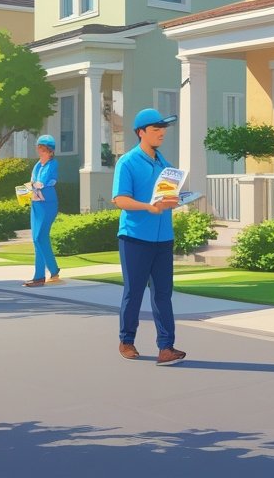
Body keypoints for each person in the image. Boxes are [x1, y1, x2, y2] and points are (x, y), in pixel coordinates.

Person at [112, 108, 185, 365]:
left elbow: (167, 199)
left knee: (163, 294)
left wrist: (176, 201)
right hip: (134, 237)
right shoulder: (127, 162)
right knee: (134, 291)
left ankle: (166, 347)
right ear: (141, 132)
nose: (161, 133)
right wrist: (148, 207)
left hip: (163, 238)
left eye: (163, 129)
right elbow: (120, 199)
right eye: (156, 129)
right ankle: (126, 341)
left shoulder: (166, 166)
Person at [24, 135, 62, 287]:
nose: (40, 151)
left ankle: (48, 272)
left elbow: (43, 182)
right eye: (39, 148)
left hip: (48, 204)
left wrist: (34, 184)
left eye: (43, 149)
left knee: (40, 237)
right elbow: (33, 182)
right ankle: (43, 275)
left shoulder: (52, 164)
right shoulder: (37, 165)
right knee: (36, 239)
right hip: (36, 204)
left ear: (50, 151)